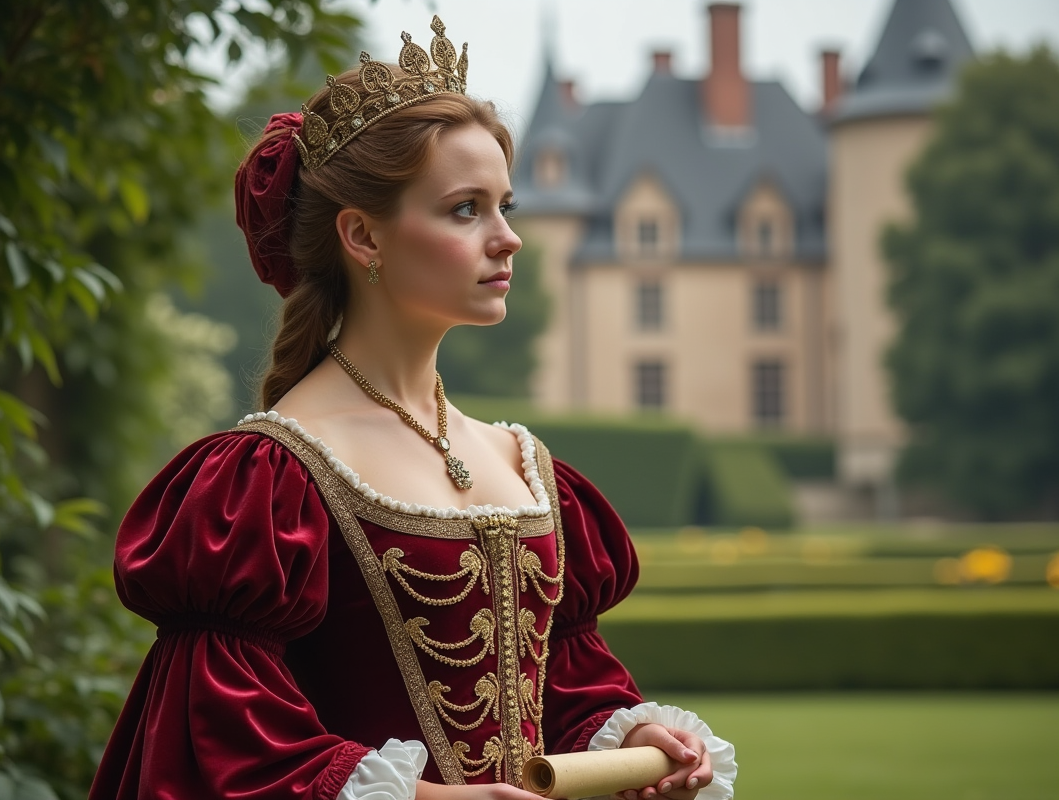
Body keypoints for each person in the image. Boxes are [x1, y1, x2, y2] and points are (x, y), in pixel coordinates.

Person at [89, 16, 736, 800]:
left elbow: (564, 685)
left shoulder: (525, 466)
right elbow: (224, 745)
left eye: (507, 205)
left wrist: (629, 734)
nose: (509, 240)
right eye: (466, 209)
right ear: (364, 236)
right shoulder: (267, 482)